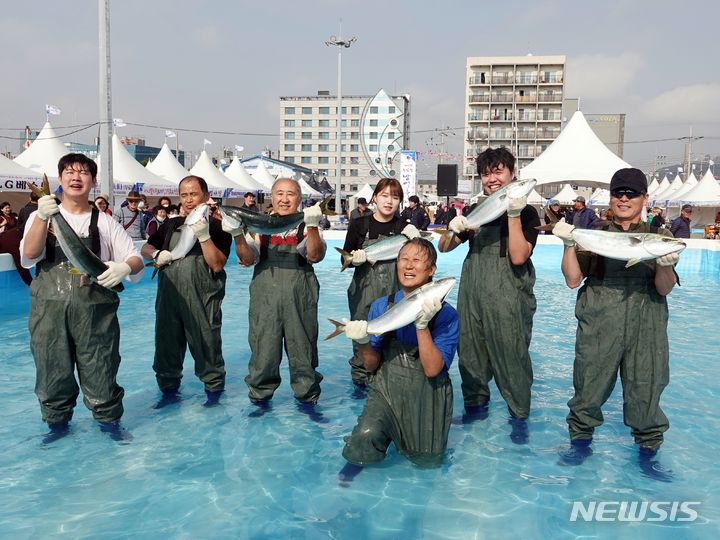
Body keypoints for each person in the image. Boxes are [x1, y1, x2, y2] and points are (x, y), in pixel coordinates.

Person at [554, 167, 679, 472]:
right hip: (599, 321)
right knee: (588, 387)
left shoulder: (661, 235)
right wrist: (569, 244)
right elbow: (573, 280)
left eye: (631, 193)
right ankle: (580, 444)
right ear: (610, 197)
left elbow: (664, 288)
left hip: (646, 323)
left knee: (646, 389)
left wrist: (664, 264)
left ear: (644, 198)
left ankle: (648, 455)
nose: (624, 198)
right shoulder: (595, 232)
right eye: (618, 192)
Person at [20, 153, 144, 441]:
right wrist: (41, 215)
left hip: (96, 315)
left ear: (93, 181)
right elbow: (28, 255)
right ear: (61, 179)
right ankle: (57, 427)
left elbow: (135, 258)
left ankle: (109, 424)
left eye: (84, 173)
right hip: (48, 314)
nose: (77, 178)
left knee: (101, 368)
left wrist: (125, 266)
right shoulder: (44, 216)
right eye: (70, 173)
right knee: (52, 371)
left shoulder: (106, 222)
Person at [438, 147, 539, 442]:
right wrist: (456, 227)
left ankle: (519, 416)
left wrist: (513, 213)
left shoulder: (529, 212)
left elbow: (519, 256)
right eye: (486, 173)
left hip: (510, 296)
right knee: (470, 354)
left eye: (498, 172)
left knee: (512, 356)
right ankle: (475, 409)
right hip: (473, 294)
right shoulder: (475, 210)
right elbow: (444, 248)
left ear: (512, 174)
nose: (492, 179)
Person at [340, 239, 459, 477]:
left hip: (427, 395)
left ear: (431, 270)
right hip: (386, 391)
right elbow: (371, 365)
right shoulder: (380, 306)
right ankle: (346, 480)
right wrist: (362, 341)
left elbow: (433, 369)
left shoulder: (447, 315)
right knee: (364, 438)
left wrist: (422, 325)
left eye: (417, 260)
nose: (409, 265)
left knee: (427, 461)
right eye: (404, 258)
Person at [227, 178, 326, 417]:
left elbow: (315, 255)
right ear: (271, 197)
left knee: (303, 349)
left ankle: (307, 399)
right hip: (265, 300)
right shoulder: (260, 226)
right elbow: (247, 259)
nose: (284, 199)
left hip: (300, 299)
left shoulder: (307, 224)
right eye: (279, 193)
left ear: (299, 199)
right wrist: (237, 234)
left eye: (290, 194)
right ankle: (260, 399)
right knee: (263, 350)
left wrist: (312, 226)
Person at [141, 175, 232, 407]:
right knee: (166, 346)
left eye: (194, 194)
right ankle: (168, 394)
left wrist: (203, 236)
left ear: (206, 196)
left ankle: (213, 394)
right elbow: (146, 246)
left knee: (207, 345)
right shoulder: (171, 224)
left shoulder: (218, 226)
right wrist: (155, 254)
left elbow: (217, 264)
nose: (189, 199)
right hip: (169, 298)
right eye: (184, 194)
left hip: (203, 298)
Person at [341, 178, 419, 388]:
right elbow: (344, 260)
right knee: (362, 339)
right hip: (363, 294)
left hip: (394, 294)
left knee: (394, 342)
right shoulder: (359, 224)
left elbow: (419, 261)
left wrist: (417, 239)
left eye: (395, 197)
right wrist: (354, 260)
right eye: (384, 195)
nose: (389, 201)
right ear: (375, 197)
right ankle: (360, 388)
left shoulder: (403, 226)